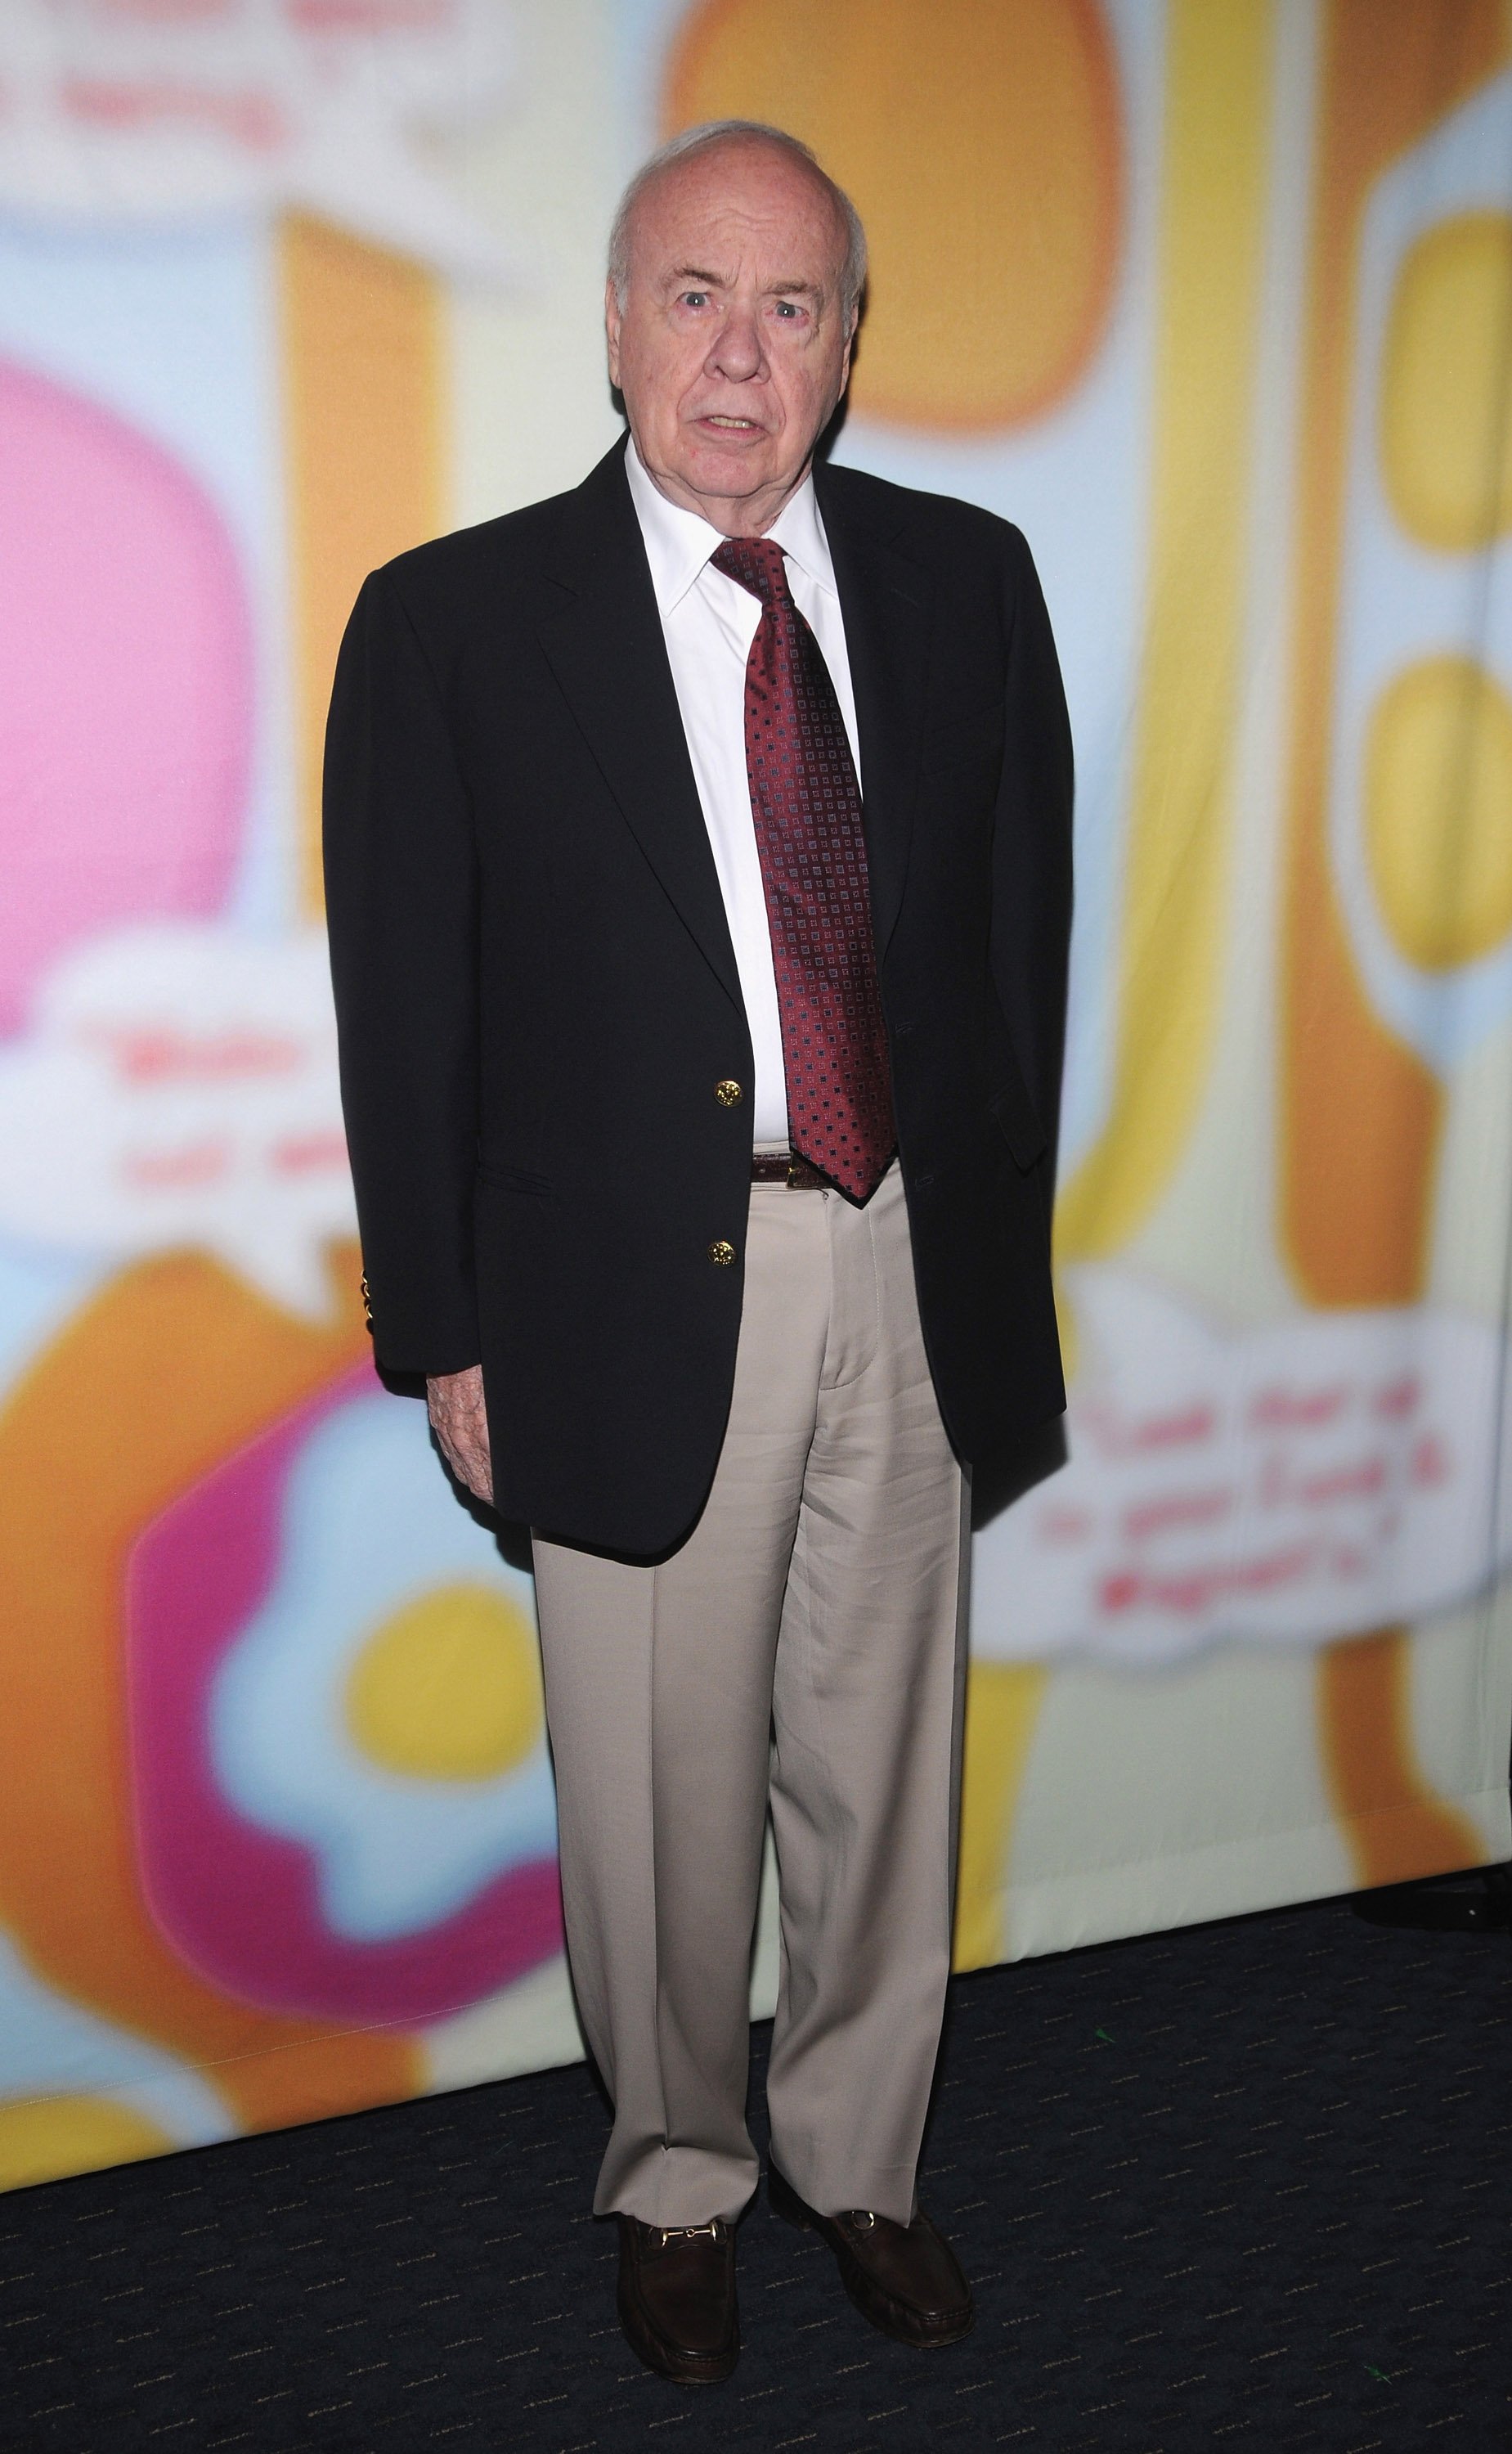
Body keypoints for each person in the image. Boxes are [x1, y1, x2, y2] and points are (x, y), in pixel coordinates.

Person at [324, 118, 1072, 2388]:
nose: (740, 359)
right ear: (618, 318)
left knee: (879, 1754)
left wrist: (992, 1279)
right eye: (694, 297)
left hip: (902, 1262)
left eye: (792, 308)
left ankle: (859, 2156)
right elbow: (406, 1015)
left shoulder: (967, 581)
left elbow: (1015, 960)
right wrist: (445, 1334)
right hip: (620, 1299)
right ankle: (674, 2176)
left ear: (846, 348)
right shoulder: (452, 624)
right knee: (648, 1798)